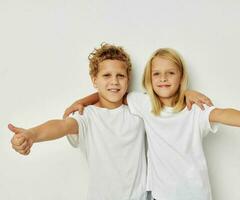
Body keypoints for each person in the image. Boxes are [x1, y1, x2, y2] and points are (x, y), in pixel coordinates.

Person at [64, 48, 240, 200]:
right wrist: (82, 102)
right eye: (157, 74)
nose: (163, 79)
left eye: (170, 73)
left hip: (195, 195)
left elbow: (222, 114)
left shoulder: (194, 109)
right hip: (159, 196)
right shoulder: (143, 104)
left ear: (181, 77)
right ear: (149, 79)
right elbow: (111, 93)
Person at [9, 43, 148, 200]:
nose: (114, 81)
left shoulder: (138, 110)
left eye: (120, 76)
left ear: (128, 79)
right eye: (107, 75)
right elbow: (61, 126)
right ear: (94, 80)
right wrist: (32, 134)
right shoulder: (87, 115)